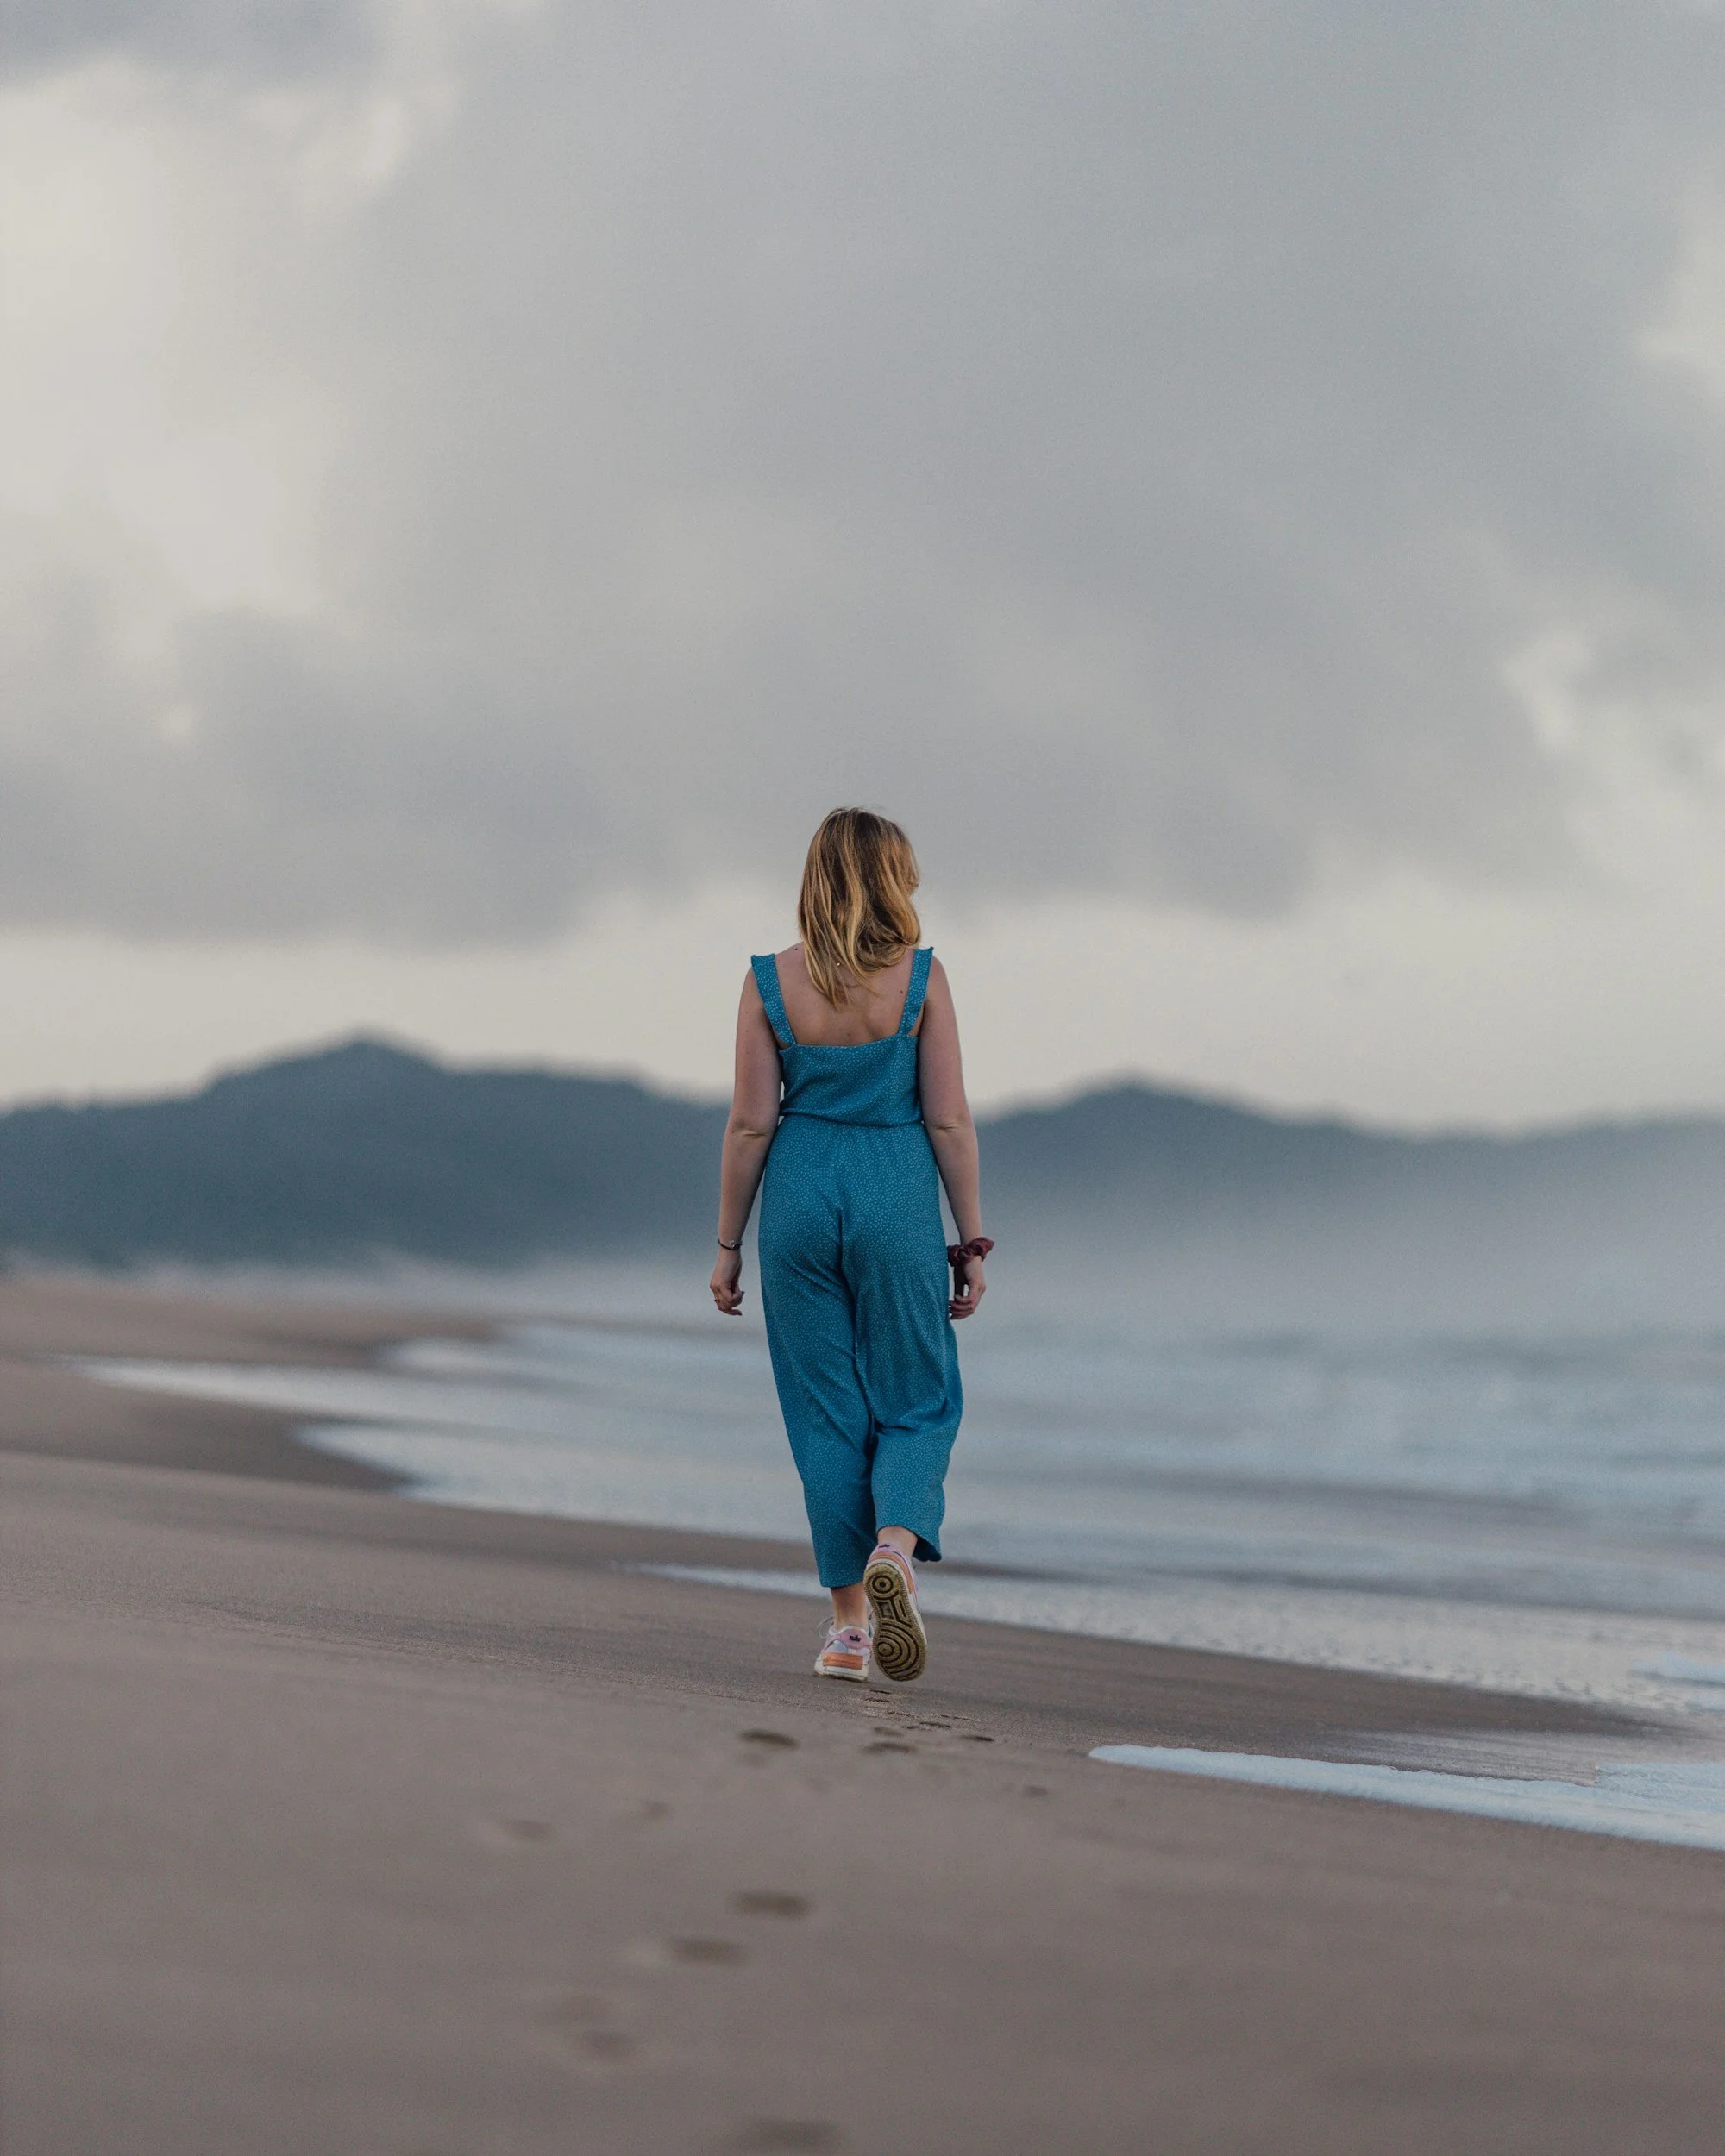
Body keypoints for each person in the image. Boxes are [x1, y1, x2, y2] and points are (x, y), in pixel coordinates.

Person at [710, 808, 990, 1683]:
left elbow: (751, 1124)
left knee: (824, 1410)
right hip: (892, 1187)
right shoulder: (920, 978)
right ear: (891, 879)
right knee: (917, 1395)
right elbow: (945, 1114)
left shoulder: (767, 981)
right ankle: (895, 1550)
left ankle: (844, 1630)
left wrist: (727, 1244)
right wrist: (968, 1237)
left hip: (796, 1193)